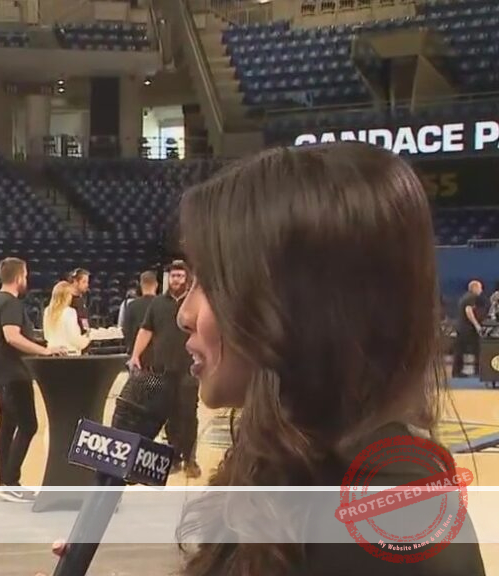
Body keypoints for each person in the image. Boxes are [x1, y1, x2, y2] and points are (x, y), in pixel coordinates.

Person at [44, 143, 485, 576]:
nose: (184, 314)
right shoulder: (297, 458)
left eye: (210, 283)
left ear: (294, 303)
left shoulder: (388, 526)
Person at [0, 257, 62, 503]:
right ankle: (10, 481)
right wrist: (44, 351)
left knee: (8, 426)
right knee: (28, 425)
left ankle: (4, 481)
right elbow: (12, 336)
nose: (26, 280)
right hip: (13, 374)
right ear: (19, 277)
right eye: (26, 275)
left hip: (1, 374)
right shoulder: (10, 303)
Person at [129, 260, 199, 478]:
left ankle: (190, 458)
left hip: (189, 367)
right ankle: (174, 458)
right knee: (169, 413)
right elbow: (146, 330)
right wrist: (135, 355)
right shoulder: (157, 303)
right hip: (163, 367)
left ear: (187, 278)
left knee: (188, 413)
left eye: (180, 276)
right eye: (173, 276)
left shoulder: (194, 303)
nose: (176, 280)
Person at [43, 280, 90, 355]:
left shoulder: (47, 311)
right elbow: (75, 339)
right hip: (69, 354)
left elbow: (46, 336)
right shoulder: (69, 312)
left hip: (52, 353)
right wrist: (88, 338)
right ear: (67, 296)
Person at [121, 271, 159, 353]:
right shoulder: (162, 304)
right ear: (156, 284)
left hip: (138, 353)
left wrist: (131, 349)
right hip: (159, 352)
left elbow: (126, 330)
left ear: (141, 285)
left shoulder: (131, 306)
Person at [453, 279, 484, 378]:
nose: (481, 290)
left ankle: (457, 372)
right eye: (480, 288)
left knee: (460, 350)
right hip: (467, 328)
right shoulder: (471, 297)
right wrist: (476, 325)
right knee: (477, 348)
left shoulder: (464, 297)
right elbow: (468, 310)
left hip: (461, 327)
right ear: (474, 288)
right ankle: (478, 371)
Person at [68, 268, 91, 334]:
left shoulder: (82, 298)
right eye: (84, 282)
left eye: (87, 282)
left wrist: (86, 329)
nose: (87, 285)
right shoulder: (67, 299)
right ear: (75, 281)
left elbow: (83, 317)